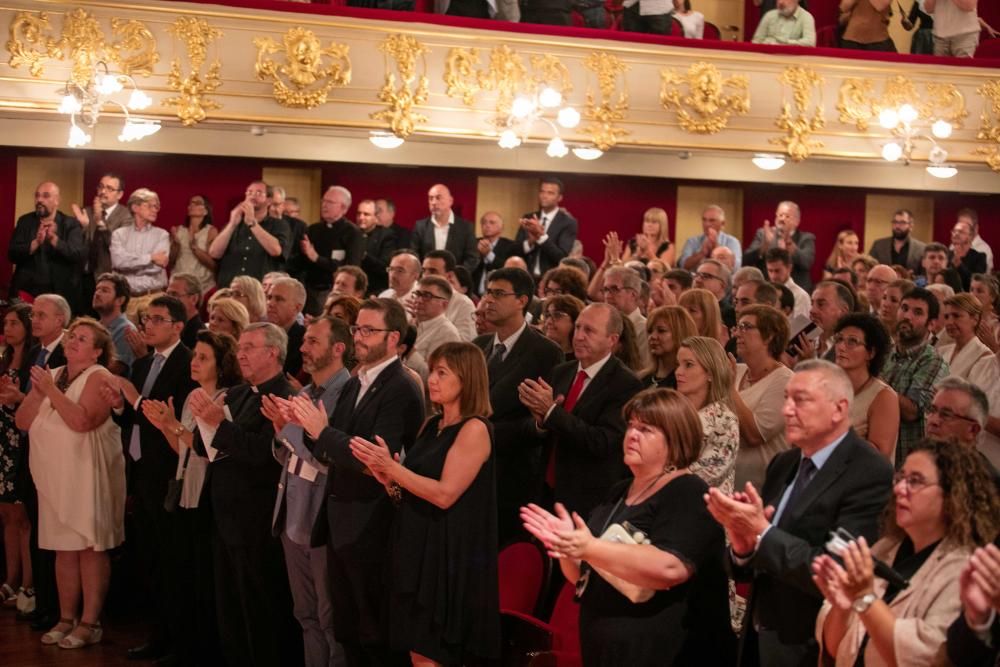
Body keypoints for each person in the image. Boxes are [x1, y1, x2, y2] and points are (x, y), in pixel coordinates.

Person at [522, 389, 736, 665]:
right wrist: (566, 548)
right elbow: (581, 576)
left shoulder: (689, 493)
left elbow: (670, 567)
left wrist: (588, 546)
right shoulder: (619, 492)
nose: (632, 435)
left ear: (676, 440)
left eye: (645, 429)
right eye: (631, 426)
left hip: (667, 654)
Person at [706, 360, 894, 667]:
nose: (787, 411)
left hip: (811, 645)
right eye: (786, 399)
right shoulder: (785, 462)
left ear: (839, 409)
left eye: (801, 400)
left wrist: (762, 533)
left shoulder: (869, 472)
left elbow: (836, 570)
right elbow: (757, 556)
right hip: (757, 636)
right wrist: (743, 548)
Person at [351, 342, 500, 665]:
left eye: (442, 372)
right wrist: (390, 483)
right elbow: (412, 489)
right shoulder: (432, 425)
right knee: (416, 651)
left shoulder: (474, 429)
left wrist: (394, 469)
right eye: (432, 370)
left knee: (431, 652)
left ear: (467, 378)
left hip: (446, 555)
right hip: (416, 549)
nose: (432, 378)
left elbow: (445, 494)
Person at [293, 298, 424, 665]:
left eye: (369, 330)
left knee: (374, 635)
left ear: (394, 337)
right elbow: (329, 448)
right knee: (347, 630)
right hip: (341, 522)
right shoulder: (355, 383)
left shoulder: (401, 387)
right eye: (356, 329)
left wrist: (323, 433)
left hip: (373, 526)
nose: (359, 338)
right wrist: (310, 429)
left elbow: (375, 460)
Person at [813, 439, 1000, 666]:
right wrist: (842, 610)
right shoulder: (885, 547)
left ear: (953, 494)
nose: (899, 489)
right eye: (900, 478)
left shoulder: (964, 567)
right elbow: (836, 650)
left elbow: (926, 660)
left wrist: (864, 598)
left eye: (915, 481)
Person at [188, 322, 297, 666]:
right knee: (230, 609)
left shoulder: (286, 395)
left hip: (258, 518)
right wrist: (204, 422)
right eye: (240, 348)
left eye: (250, 347)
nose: (241, 354)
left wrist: (219, 425)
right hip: (224, 515)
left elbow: (266, 453)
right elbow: (201, 448)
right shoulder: (235, 393)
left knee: (260, 609)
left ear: (273, 353)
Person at [16, 318, 125, 648]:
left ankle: (90, 622)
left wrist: (50, 392)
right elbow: (22, 421)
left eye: (82, 338)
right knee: (64, 550)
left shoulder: (100, 376)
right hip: (54, 478)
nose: (74, 342)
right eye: (72, 337)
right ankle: (66, 617)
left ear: (97, 351)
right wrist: (38, 393)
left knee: (89, 548)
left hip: (86, 475)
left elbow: (82, 421)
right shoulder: (57, 373)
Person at [102, 295, 196, 662]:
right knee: (152, 562)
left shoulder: (187, 363)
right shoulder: (143, 364)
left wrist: (134, 399)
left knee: (174, 565)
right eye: (146, 319)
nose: (148, 325)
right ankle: (158, 634)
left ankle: (179, 642)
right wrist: (120, 406)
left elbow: (169, 421)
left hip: (170, 474)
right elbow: (133, 423)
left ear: (177, 325)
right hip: (143, 474)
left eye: (157, 319)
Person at [139, 329, 241, 666]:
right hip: (185, 491)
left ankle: (206, 651)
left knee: (205, 580)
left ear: (221, 364)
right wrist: (167, 426)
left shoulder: (226, 399)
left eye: (203, 357)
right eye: (194, 356)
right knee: (184, 575)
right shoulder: (191, 396)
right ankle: (185, 647)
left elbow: (212, 450)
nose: (194, 362)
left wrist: (176, 428)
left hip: (209, 497)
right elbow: (183, 450)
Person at [262, 316, 352, 667]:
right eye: (305, 341)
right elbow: (287, 452)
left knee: (331, 619)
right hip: (292, 515)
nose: (303, 347)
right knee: (305, 613)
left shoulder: (348, 394)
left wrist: (290, 431)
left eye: (313, 341)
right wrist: (280, 431)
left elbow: (333, 458)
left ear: (338, 348)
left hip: (322, 518)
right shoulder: (304, 392)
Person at [519, 303, 643, 519]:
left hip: (587, 500)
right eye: (578, 328)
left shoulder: (626, 384)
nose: (579, 336)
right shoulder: (561, 371)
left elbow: (601, 441)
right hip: (546, 490)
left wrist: (551, 412)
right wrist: (540, 422)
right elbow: (542, 430)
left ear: (612, 340)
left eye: (590, 330)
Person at [474, 267, 564, 543]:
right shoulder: (479, 345)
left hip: (513, 475)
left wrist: (483, 434)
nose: (489, 300)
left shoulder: (545, 351)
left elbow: (540, 420)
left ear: (522, 301)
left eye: (499, 294)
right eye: (488, 292)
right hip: (472, 471)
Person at [880, 288, 950, 466]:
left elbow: (911, 411)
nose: (907, 316)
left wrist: (873, 379)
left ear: (932, 324)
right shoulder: (885, 353)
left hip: (904, 461)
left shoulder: (933, 362)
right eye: (904, 308)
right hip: (877, 453)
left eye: (917, 312)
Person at [730, 305, 794, 490]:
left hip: (762, 490)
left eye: (746, 327)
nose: (738, 334)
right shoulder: (737, 371)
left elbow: (755, 435)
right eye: (738, 327)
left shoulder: (785, 380)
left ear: (770, 335)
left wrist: (728, 389)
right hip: (727, 485)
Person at [0, 304, 35, 611]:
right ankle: (10, 579)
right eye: (6, 323)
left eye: (14, 322)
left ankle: (28, 582)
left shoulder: (34, 359)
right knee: (7, 514)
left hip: (21, 440)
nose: (8, 328)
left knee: (23, 516)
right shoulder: (4, 358)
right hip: (2, 441)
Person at [9, 181, 84, 316]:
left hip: (59, 294)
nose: (39, 200)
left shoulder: (70, 224)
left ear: (57, 200)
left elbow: (77, 255)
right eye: (37, 196)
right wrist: (35, 243)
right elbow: (12, 254)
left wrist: (54, 240)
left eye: (46, 196)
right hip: (26, 292)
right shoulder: (25, 221)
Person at [676, 336, 739, 494]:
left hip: (705, 510)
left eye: (688, 365)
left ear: (710, 373)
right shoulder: (674, 413)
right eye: (678, 364)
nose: (678, 372)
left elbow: (706, 477)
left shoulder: (725, 421)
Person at [832, 313, 898, 460]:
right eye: (839, 339)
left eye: (852, 342)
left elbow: (879, 455)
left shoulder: (883, 396)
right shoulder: (828, 388)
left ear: (871, 353)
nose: (841, 347)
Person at [209, 180, 291, 287]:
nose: (252, 196)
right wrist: (232, 224)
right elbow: (214, 253)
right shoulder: (234, 224)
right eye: (249, 192)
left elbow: (276, 251)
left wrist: (252, 223)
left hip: (259, 289)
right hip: (229, 288)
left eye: (258, 193)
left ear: (269, 200)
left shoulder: (279, 225)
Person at [299, 186, 365, 315]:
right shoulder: (313, 229)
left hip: (333, 291)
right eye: (323, 201)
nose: (324, 205)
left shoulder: (353, 233)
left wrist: (317, 258)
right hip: (309, 289)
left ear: (343, 208)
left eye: (330, 202)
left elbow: (351, 268)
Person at [71, 173, 132, 306]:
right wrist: (83, 227)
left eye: (109, 189)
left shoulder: (126, 216)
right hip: (83, 276)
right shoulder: (86, 211)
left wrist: (100, 222)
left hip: (107, 278)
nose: (103, 191)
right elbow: (76, 247)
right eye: (101, 187)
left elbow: (118, 246)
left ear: (120, 194)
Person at [110, 188, 170, 312]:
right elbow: (118, 262)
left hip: (153, 298)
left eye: (156, 207)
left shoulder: (162, 235)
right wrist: (151, 257)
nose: (155, 210)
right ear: (135, 208)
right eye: (150, 206)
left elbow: (157, 267)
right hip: (125, 300)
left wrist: (129, 263)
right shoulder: (119, 234)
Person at [745, 201, 817, 292]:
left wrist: (792, 247)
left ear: (797, 221)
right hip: (767, 288)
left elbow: (807, 262)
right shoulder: (763, 234)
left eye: (787, 216)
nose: (782, 219)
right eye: (780, 215)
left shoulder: (806, 238)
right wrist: (764, 246)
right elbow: (747, 260)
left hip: (797, 288)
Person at [515, 177, 578, 280]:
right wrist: (530, 241)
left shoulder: (568, 222)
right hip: (526, 277)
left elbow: (562, 257)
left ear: (560, 197)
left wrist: (540, 236)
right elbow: (515, 251)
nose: (544, 196)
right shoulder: (529, 217)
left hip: (552, 279)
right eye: (542, 192)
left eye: (550, 193)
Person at [411, 184, 478, 272]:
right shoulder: (420, 226)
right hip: (427, 279)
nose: (434, 202)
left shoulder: (465, 227)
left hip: (454, 281)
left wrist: (455, 277)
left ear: (450, 201)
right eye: (431, 198)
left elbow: (472, 258)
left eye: (438, 198)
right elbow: (414, 256)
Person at [939, 293, 997, 390]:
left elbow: (976, 397)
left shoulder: (983, 355)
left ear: (975, 319)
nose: (949, 322)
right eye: (946, 317)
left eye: (956, 316)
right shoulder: (942, 351)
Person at [640, 305, 698, 390]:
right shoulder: (641, 379)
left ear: (680, 333)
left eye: (661, 331)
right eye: (650, 331)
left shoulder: (685, 381)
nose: (652, 336)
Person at [91, 272, 137, 376]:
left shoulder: (126, 330)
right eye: (97, 289)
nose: (97, 294)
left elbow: (116, 368)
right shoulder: (94, 327)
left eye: (104, 290)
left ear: (120, 300)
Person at [679, 205, 742, 271]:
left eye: (712, 220)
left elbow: (735, 268)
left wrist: (716, 247)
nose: (707, 224)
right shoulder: (692, 241)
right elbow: (683, 265)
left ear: (722, 224)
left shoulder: (732, 242)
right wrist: (702, 253)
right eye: (704, 220)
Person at [412, 275, 462, 360]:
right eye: (417, 294)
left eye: (427, 296)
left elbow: (437, 372)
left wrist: (410, 352)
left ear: (444, 304)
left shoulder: (447, 333)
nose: (419, 300)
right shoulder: (410, 324)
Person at [266, 276, 307, 378]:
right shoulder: (258, 334)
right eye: (269, 297)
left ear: (297, 307)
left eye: (279, 299)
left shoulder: (304, 341)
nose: (270, 303)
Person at [867, 209, 926, 274]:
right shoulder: (878, 245)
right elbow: (869, 269)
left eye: (902, 223)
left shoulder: (921, 248)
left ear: (911, 226)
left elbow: (924, 274)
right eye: (895, 222)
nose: (897, 226)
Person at [472, 210, 516, 297]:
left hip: (498, 293)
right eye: (484, 222)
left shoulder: (510, 245)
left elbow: (506, 269)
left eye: (492, 222)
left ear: (501, 227)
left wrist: (488, 254)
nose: (487, 225)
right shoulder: (473, 243)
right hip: (473, 293)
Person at [166, 272, 207, 349]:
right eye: (168, 294)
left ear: (194, 299)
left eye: (174, 295)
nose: (169, 300)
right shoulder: (169, 327)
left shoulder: (200, 336)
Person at [751, 0, 817, 45]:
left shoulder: (806, 17)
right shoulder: (769, 15)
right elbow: (756, 41)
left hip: (793, 60)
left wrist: (783, 43)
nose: (781, 2)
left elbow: (810, 43)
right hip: (768, 58)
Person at [541, 294, 585, 361]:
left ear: (575, 320)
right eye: (547, 315)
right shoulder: (539, 354)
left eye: (557, 315)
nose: (548, 322)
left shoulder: (580, 361)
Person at [950, 218, 987, 292]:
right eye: (954, 231)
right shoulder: (945, 255)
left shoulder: (979, 257)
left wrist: (959, 266)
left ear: (971, 236)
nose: (956, 234)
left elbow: (976, 282)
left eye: (961, 232)